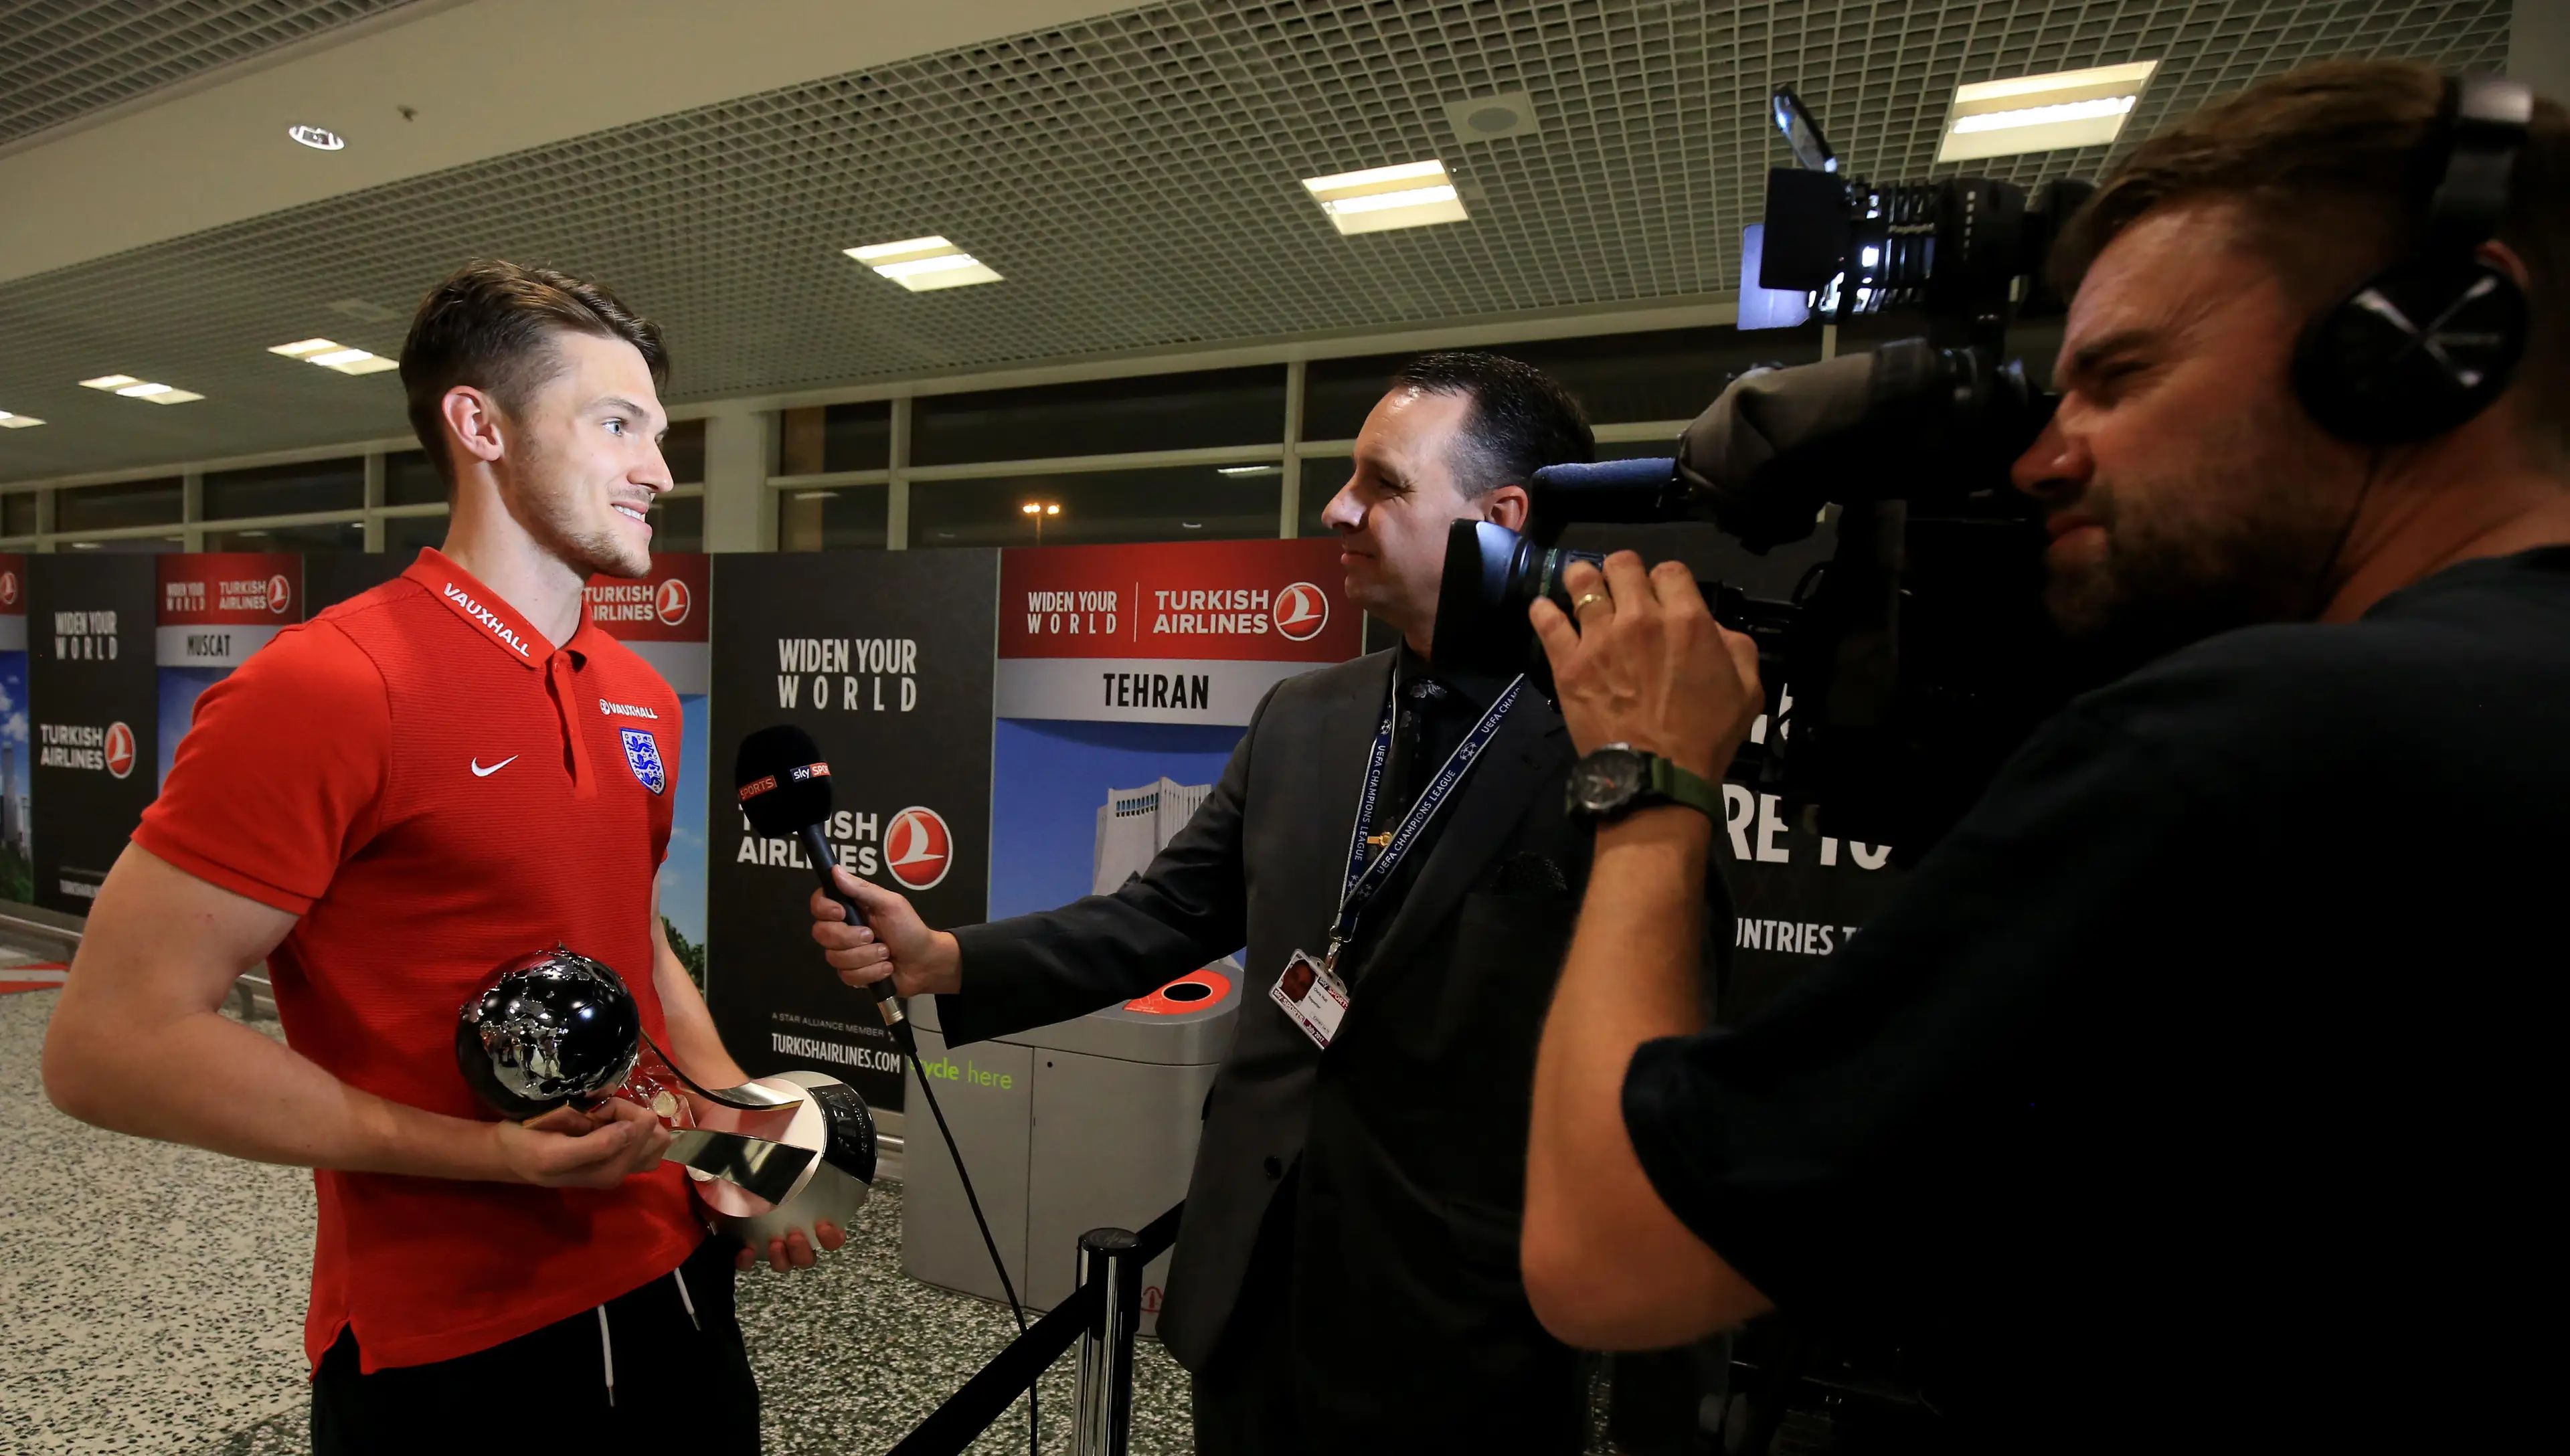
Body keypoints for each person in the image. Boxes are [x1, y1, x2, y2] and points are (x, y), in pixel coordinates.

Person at [1517, 62, 2570, 1451]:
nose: (2040, 460)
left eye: (2121, 376)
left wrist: (1649, 777)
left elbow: (1611, 1249)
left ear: (2429, 336)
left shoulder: (2252, 742)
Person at [41, 260, 836, 1454]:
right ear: (480, 426)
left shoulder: (638, 696)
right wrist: (493, 1158)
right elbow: (109, 1047)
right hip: (454, 1342)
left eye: (661, 435)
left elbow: (628, 935)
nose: (662, 472)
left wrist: (733, 1128)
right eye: (617, 425)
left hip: (673, 1271)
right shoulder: (327, 686)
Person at [811, 353, 1625, 1453]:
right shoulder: (1306, 715)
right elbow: (1160, 917)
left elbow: (1661, 1079)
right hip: (1251, 1292)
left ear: (1502, 514)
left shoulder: (1620, 741)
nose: (1337, 507)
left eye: (1382, 483)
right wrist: (941, 957)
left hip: (1464, 1330)